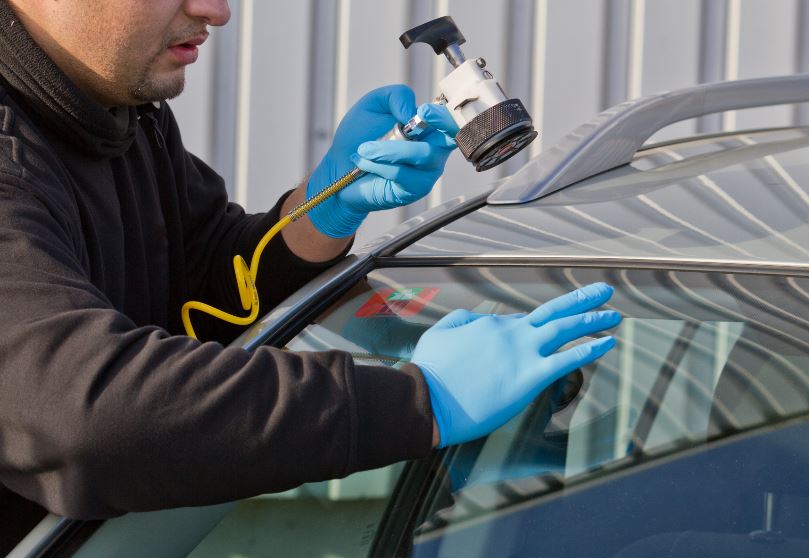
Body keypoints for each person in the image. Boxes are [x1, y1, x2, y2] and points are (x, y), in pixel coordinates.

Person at [0, 0, 621, 520]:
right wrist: (419, 404)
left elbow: (201, 291)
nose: (216, 10)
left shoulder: (117, 113)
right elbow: (78, 410)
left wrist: (322, 210)